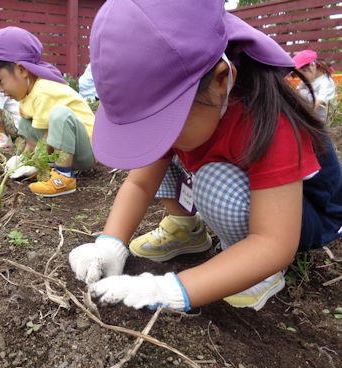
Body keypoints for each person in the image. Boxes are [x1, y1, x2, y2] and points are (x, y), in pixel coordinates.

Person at [68, 1, 342, 313]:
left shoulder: (268, 120)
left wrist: (170, 289)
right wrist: (109, 245)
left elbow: (274, 242)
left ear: (222, 79)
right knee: (152, 151)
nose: (157, 136)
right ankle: (186, 229)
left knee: (216, 180)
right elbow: (141, 184)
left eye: (162, 123)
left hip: (299, 216)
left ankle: (254, 270)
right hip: (247, 191)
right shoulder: (190, 101)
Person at [0, 27, 96, 197]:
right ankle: (46, 169)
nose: (1, 90)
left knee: (60, 114)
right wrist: (23, 160)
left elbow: (47, 138)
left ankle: (64, 178)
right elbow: (31, 141)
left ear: (21, 69)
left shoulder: (44, 90)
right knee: (27, 121)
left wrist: (33, 161)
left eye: (0, 82)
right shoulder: (26, 95)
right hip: (68, 149)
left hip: (87, 149)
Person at [293, 50, 337, 122]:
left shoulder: (325, 82)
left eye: (301, 75)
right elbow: (297, 91)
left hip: (324, 119)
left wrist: (301, 114)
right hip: (313, 112)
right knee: (301, 93)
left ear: (311, 66)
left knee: (303, 93)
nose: (301, 79)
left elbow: (318, 103)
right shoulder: (307, 77)